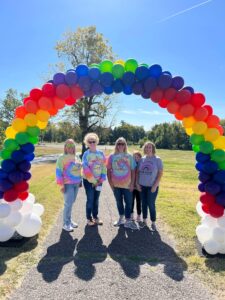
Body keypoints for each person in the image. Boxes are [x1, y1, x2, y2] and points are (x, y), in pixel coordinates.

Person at [107, 137, 137, 230]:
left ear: (125, 145)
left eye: (122, 143)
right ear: (116, 145)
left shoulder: (129, 156)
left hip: (127, 185)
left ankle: (128, 220)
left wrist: (132, 184)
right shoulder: (112, 156)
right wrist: (111, 184)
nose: (120, 145)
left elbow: (133, 170)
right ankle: (121, 218)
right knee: (119, 202)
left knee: (128, 202)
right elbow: (108, 170)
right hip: (116, 185)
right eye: (119, 144)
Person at [56, 139, 82, 232]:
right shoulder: (61, 157)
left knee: (71, 202)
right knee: (68, 203)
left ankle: (69, 220)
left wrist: (80, 180)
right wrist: (62, 185)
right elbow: (58, 172)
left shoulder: (76, 156)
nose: (70, 148)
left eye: (72, 146)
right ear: (65, 147)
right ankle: (66, 223)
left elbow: (79, 168)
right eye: (68, 146)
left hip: (76, 183)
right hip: (67, 184)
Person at [136, 141, 163, 231]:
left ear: (153, 149)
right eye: (146, 147)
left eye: (150, 147)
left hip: (152, 187)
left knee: (151, 204)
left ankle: (153, 223)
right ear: (144, 148)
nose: (148, 149)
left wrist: (155, 185)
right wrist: (137, 183)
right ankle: (144, 221)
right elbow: (137, 173)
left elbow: (160, 173)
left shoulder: (157, 159)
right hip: (142, 186)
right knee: (143, 204)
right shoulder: (142, 159)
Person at [82, 133, 106, 226]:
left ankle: (95, 217)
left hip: (99, 181)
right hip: (89, 181)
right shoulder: (86, 154)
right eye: (90, 141)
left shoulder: (101, 153)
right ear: (87, 143)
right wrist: (94, 181)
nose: (92, 143)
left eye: (94, 141)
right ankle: (89, 218)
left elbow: (104, 167)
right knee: (90, 199)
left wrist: (101, 179)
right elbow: (85, 168)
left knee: (96, 200)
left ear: (96, 142)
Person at [131, 151, 142, 222]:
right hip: (132, 186)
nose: (136, 158)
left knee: (139, 201)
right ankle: (131, 214)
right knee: (131, 201)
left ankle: (138, 215)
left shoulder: (142, 165)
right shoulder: (131, 165)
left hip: (139, 187)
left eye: (137, 157)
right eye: (134, 157)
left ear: (140, 158)